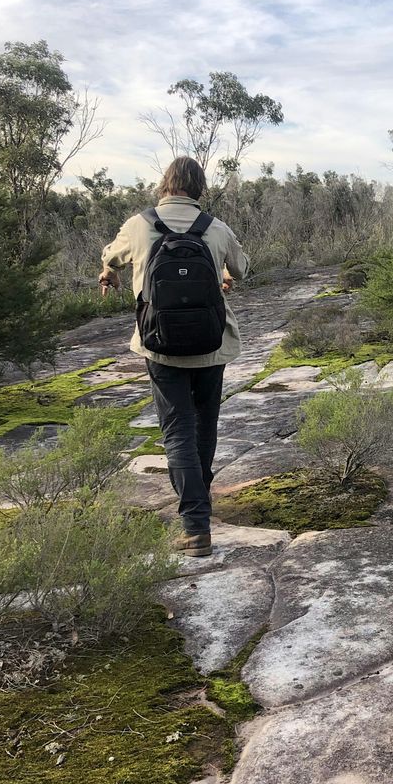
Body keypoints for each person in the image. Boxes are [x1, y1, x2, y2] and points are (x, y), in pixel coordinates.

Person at [99, 156, 248, 558]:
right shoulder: (215, 228)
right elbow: (243, 268)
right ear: (199, 187)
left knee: (177, 430)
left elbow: (112, 255)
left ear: (165, 185)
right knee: (204, 427)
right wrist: (222, 272)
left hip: (158, 346)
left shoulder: (139, 224)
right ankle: (201, 509)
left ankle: (195, 525)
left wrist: (109, 271)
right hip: (211, 345)